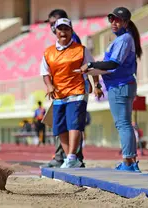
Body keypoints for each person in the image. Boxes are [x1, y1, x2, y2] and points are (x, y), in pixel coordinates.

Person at [78, 7, 142, 172]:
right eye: (111, 19)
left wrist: (91, 65)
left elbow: (114, 64)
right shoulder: (123, 38)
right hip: (121, 85)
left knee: (123, 124)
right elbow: (110, 65)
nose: (114, 23)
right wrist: (95, 75)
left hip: (120, 85)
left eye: (118, 20)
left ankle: (128, 162)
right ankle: (131, 161)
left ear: (126, 22)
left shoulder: (125, 39)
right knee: (124, 124)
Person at [40, 18, 103, 168]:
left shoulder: (80, 50)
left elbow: (92, 68)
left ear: (71, 31)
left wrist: (97, 85)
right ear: (55, 32)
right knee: (60, 127)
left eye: (66, 29)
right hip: (58, 94)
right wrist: (49, 86)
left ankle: (71, 156)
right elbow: (45, 72)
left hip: (77, 92)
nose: (63, 32)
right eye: (60, 29)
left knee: (74, 124)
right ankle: (71, 159)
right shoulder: (48, 52)